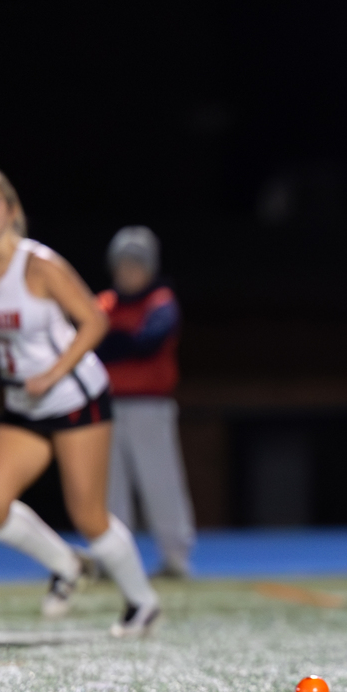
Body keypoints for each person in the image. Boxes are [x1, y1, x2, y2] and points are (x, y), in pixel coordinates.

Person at [0, 171, 160, 635]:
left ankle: (142, 603)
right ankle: (67, 565)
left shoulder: (39, 265)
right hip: (23, 405)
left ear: (11, 210)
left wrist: (50, 374)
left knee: (88, 515)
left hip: (73, 398)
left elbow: (94, 321)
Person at [97, 226, 196, 577]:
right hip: (107, 407)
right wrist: (113, 341)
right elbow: (87, 342)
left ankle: (175, 558)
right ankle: (113, 560)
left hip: (150, 407)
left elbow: (147, 342)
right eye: (123, 264)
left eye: (136, 265)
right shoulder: (104, 303)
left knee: (161, 483)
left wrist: (111, 340)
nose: (129, 271)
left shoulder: (161, 302)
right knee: (109, 487)